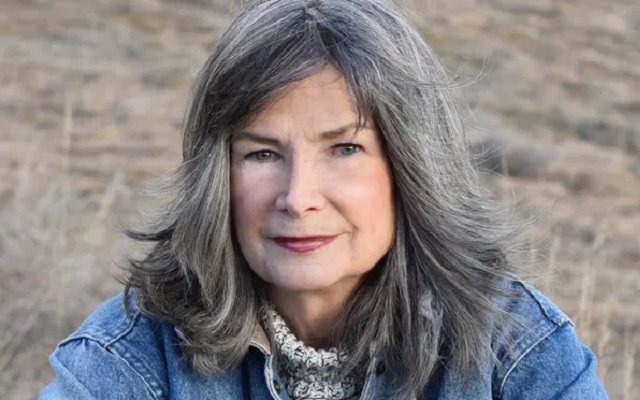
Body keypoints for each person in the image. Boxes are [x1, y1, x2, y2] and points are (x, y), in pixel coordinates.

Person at [39, 0, 608, 399]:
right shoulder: (134, 354)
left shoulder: (512, 349)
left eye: (345, 149)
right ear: (217, 175)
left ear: (410, 167)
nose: (298, 198)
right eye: (262, 153)